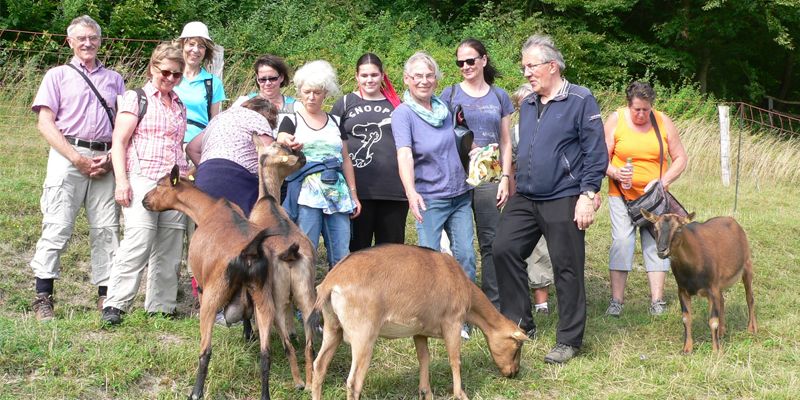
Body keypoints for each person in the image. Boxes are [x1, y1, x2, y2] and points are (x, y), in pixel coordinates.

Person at [492, 34, 607, 364]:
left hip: (564, 196)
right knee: (503, 249)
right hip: (525, 195)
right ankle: (520, 323)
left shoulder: (580, 100)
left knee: (567, 267)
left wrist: (588, 194)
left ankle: (569, 340)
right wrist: (508, 179)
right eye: (524, 66)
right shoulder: (527, 104)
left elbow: (595, 152)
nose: (526, 72)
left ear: (552, 66)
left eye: (531, 66)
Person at [28, 15, 125, 321]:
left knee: (107, 229)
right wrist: (75, 157)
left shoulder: (115, 79)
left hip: (105, 159)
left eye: (92, 37)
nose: (87, 43)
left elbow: (123, 124)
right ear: (69, 41)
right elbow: (45, 122)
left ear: (100, 40)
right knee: (57, 224)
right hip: (67, 156)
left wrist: (111, 157)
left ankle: (106, 296)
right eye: (81, 38)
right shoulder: (56, 76)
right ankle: (43, 295)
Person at [101, 42, 190, 324]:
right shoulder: (136, 98)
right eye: (166, 72)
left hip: (172, 183)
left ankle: (161, 306)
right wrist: (122, 182)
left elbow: (178, 144)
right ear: (153, 67)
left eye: (177, 74)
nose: (171, 79)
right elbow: (120, 141)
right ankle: (115, 303)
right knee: (139, 238)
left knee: (170, 243)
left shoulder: (179, 104)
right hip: (142, 177)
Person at [392, 51, 476, 338]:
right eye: (418, 76)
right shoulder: (403, 114)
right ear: (407, 80)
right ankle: (433, 321)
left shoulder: (446, 108)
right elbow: (404, 154)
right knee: (430, 264)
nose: (424, 81)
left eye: (429, 75)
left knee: (465, 256)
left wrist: (477, 153)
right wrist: (410, 191)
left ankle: (462, 316)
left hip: (460, 194)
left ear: (436, 79)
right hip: (430, 198)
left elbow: (461, 141)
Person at [440, 38, 513, 311]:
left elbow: (506, 141)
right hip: (455, 177)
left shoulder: (499, 96)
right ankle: (458, 303)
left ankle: (491, 304)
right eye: (460, 62)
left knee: (491, 242)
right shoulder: (449, 95)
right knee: (461, 246)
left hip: (489, 177)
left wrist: (506, 177)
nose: (466, 66)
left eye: (471, 60)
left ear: (483, 59)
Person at [604, 81, 688, 317]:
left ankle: (657, 301)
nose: (641, 114)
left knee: (657, 244)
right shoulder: (616, 120)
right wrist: (615, 172)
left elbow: (680, 158)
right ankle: (616, 301)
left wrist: (663, 181)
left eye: (646, 109)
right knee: (622, 242)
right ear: (628, 105)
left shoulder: (663, 121)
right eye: (637, 109)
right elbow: (600, 156)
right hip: (622, 196)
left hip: (655, 200)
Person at [277, 60, 360, 268]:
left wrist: (353, 194)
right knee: (306, 249)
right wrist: (288, 142)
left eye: (317, 92)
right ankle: (304, 297)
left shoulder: (335, 121)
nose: (311, 97)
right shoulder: (291, 119)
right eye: (306, 91)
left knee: (342, 250)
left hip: (338, 192)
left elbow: (346, 159)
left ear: (325, 93)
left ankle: (338, 296)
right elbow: (282, 138)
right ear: (299, 92)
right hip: (307, 194)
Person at [330, 53, 407, 251]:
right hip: (358, 191)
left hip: (393, 191)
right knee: (357, 252)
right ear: (356, 76)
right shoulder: (345, 103)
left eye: (374, 75)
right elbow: (332, 142)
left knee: (391, 253)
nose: (369, 79)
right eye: (364, 75)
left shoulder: (397, 104)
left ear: (383, 75)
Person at [186, 97, 277, 217]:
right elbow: (269, 154)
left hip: (205, 178)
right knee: (242, 231)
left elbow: (192, 148)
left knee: (209, 228)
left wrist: (208, 169)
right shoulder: (259, 118)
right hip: (237, 179)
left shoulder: (220, 118)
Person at [510, 83, 554, 315]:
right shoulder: (514, 131)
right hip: (519, 195)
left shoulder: (552, 126)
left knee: (541, 249)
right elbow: (510, 164)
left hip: (548, 194)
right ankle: (519, 299)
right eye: (524, 102)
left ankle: (541, 302)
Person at [174, 21, 226, 144]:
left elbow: (214, 122)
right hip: (168, 141)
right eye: (191, 44)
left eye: (201, 46)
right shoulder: (169, 76)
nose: (195, 50)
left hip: (197, 145)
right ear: (182, 45)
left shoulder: (213, 83)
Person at [233, 54, 297, 114]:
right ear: (257, 79)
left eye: (272, 78)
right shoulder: (242, 102)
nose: (268, 83)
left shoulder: (295, 106)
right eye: (263, 79)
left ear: (281, 77)